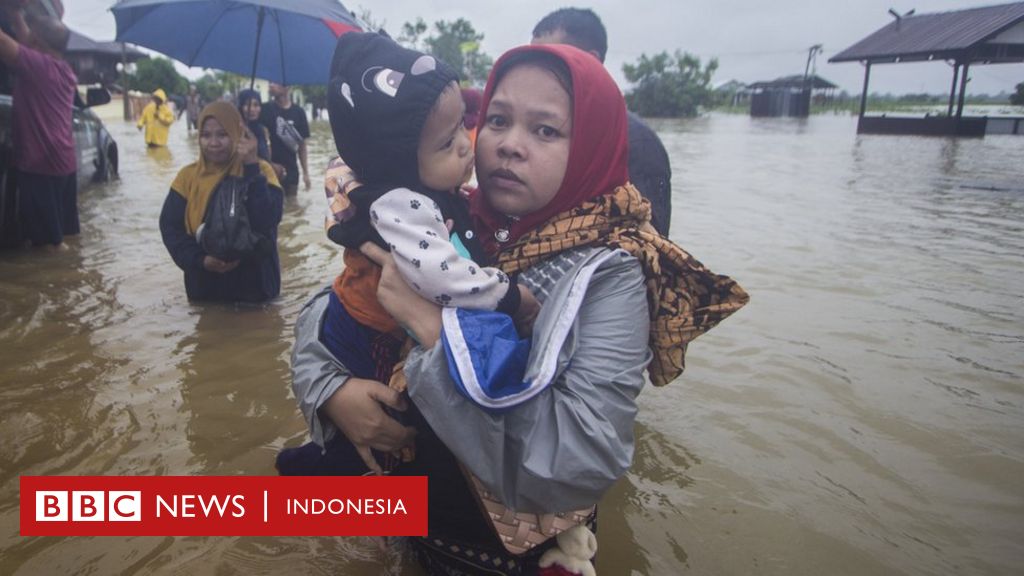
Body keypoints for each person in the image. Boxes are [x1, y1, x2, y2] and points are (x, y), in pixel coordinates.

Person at [290, 43, 748, 574]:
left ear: (590, 146)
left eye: (545, 130)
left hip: (499, 558)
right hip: (408, 521)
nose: (509, 145)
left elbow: (579, 463)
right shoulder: (443, 212)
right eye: (499, 119)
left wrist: (433, 332)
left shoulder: (611, 274)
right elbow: (331, 305)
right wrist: (331, 391)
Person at [277, 32, 538, 477]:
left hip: (372, 321)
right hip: (370, 332)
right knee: (386, 422)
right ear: (397, 162)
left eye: (463, 126)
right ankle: (326, 470)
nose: (465, 144)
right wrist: (513, 297)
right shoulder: (405, 202)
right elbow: (443, 276)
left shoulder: (600, 264)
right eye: (495, 121)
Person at [532, 7, 673, 237]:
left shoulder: (635, 140)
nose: (531, 72)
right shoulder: (538, 129)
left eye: (548, 60)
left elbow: (650, 243)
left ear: (591, 60)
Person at [159, 101, 283, 303]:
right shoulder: (187, 177)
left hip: (254, 289)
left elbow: (267, 221)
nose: (213, 143)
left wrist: (251, 168)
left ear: (236, 134)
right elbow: (170, 228)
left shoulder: (262, 171)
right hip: (205, 288)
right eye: (206, 135)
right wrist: (201, 260)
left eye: (223, 134)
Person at [0, 0, 77, 249]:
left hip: (40, 165)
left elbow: (4, 43)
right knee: (63, 238)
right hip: (63, 165)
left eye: (30, 37)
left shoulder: (39, 67)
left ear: (37, 45)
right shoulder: (63, 71)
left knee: (48, 248)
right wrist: (16, 16)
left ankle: (59, 286)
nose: (25, 39)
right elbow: (26, 41)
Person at [260, 82, 310, 196]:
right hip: (269, 170)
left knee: (293, 208)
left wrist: (306, 173)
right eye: (269, 83)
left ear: (287, 87)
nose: (271, 85)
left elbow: (302, 146)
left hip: (292, 170)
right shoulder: (264, 109)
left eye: (275, 83)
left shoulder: (299, 112)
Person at [236, 89, 273, 164]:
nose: (252, 109)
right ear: (240, 107)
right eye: (247, 104)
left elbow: (266, 157)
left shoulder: (261, 129)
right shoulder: (237, 129)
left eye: (256, 105)